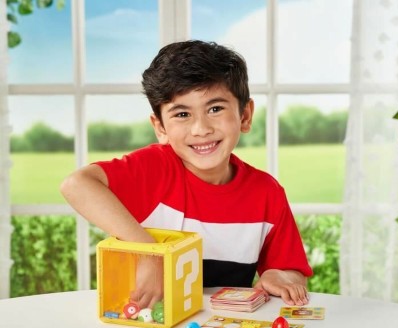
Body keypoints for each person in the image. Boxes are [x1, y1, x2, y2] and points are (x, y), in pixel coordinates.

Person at [60, 40, 313, 309]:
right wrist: (151, 254)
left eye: (215, 109)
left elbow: (291, 273)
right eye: (182, 114)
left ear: (245, 116)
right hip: (148, 324)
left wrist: (280, 275)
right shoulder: (156, 169)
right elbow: (76, 184)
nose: (201, 129)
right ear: (160, 127)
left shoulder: (266, 193)